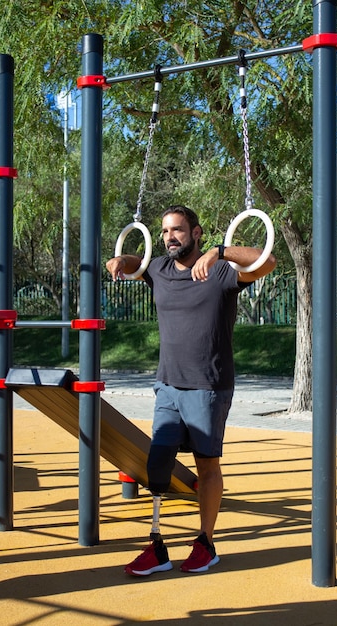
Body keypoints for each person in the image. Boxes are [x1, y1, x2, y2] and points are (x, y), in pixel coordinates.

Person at [106, 205, 276, 576]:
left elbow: (267, 260)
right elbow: (138, 261)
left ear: (196, 233)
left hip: (208, 386)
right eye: (165, 231)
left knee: (206, 465)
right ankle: (157, 546)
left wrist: (220, 251)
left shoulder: (221, 274)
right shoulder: (159, 271)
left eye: (177, 231)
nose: (170, 237)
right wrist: (121, 259)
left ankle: (206, 543)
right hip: (167, 385)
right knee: (156, 465)